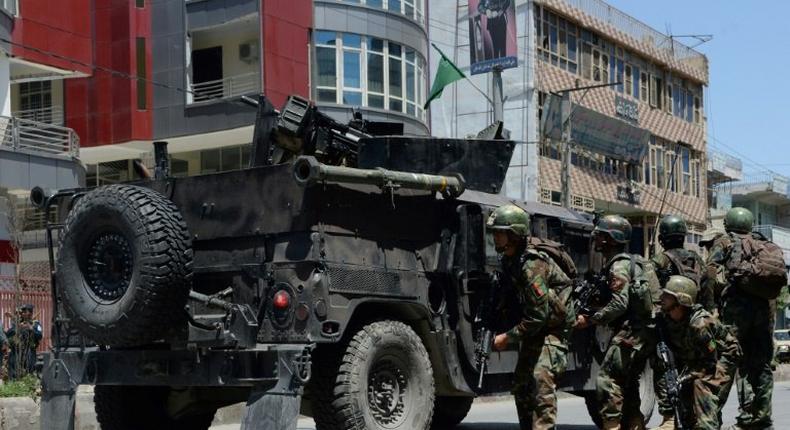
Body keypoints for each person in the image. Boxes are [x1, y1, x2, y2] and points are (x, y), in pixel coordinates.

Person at [486, 204, 575, 429]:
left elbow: (538, 315)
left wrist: (507, 337)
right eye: (494, 232)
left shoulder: (532, 265)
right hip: (536, 327)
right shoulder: (510, 259)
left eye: (500, 232)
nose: (495, 237)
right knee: (521, 384)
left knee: (540, 381)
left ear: (514, 234)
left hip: (553, 328)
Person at [575, 215, 657, 430]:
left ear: (612, 238)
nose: (596, 239)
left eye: (601, 235)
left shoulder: (618, 266)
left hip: (631, 332)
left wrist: (592, 319)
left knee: (607, 379)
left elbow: (620, 303)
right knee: (628, 386)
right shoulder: (633, 261)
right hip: (644, 332)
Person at [706, 207, 777, 430]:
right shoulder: (763, 244)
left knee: (725, 362)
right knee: (759, 367)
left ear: (728, 224)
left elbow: (710, 275)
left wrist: (709, 308)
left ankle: (710, 419)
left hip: (735, 313)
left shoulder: (725, 242)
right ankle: (758, 419)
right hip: (763, 314)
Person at [650, 215, 714, 430]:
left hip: (669, 320)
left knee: (664, 365)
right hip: (694, 316)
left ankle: (668, 417)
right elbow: (707, 288)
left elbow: (651, 290)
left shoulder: (661, 259)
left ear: (662, 238)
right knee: (693, 369)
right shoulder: (697, 259)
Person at [656, 276, 740, 429]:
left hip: (722, 358)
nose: (661, 298)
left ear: (680, 300)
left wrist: (686, 377)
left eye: (667, 296)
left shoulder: (699, 324)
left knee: (703, 390)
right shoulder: (667, 319)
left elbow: (709, 362)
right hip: (697, 361)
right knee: (686, 409)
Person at [6, 304, 43, 379]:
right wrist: (17, 328)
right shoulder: (17, 323)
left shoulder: (35, 324)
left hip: (29, 352)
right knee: (13, 372)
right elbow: (8, 334)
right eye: (21, 312)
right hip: (16, 352)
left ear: (30, 313)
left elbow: (39, 336)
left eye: (24, 312)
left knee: (30, 372)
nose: (21, 314)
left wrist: (31, 329)